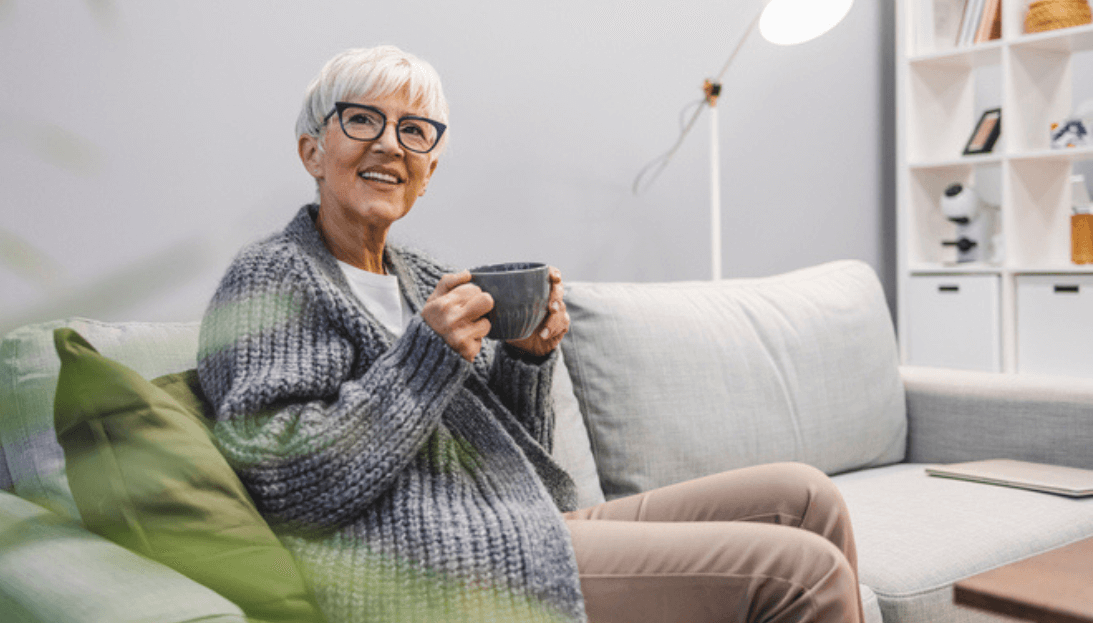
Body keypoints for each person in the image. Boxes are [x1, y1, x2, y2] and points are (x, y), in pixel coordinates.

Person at [197, 45, 863, 623]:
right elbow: (282, 481)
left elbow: (527, 471)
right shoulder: (272, 276)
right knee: (800, 571)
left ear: (426, 174)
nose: (391, 144)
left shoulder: (423, 277)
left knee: (806, 498)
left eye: (415, 130)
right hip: (428, 563)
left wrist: (526, 361)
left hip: (516, 521)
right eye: (362, 119)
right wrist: (423, 360)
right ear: (313, 149)